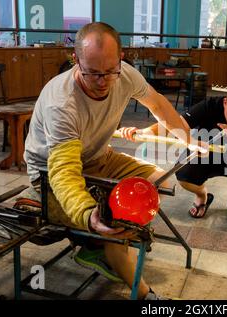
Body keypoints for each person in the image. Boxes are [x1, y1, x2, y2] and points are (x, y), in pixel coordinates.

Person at [24, 22, 198, 300]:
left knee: (155, 184)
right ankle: (144, 293)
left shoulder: (125, 75)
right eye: (92, 73)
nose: (103, 81)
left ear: (121, 59)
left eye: (110, 71)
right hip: (48, 174)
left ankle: (103, 246)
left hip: (98, 156)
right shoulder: (62, 104)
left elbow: (159, 105)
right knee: (111, 220)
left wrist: (187, 139)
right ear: (75, 59)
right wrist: (88, 216)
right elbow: (64, 174)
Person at [135, 84, 227, 223]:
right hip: (205, 154)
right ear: (225, 103)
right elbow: (177, 123)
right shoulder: (210, 106)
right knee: (184, 173)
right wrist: (144, 132)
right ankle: (202, 196)